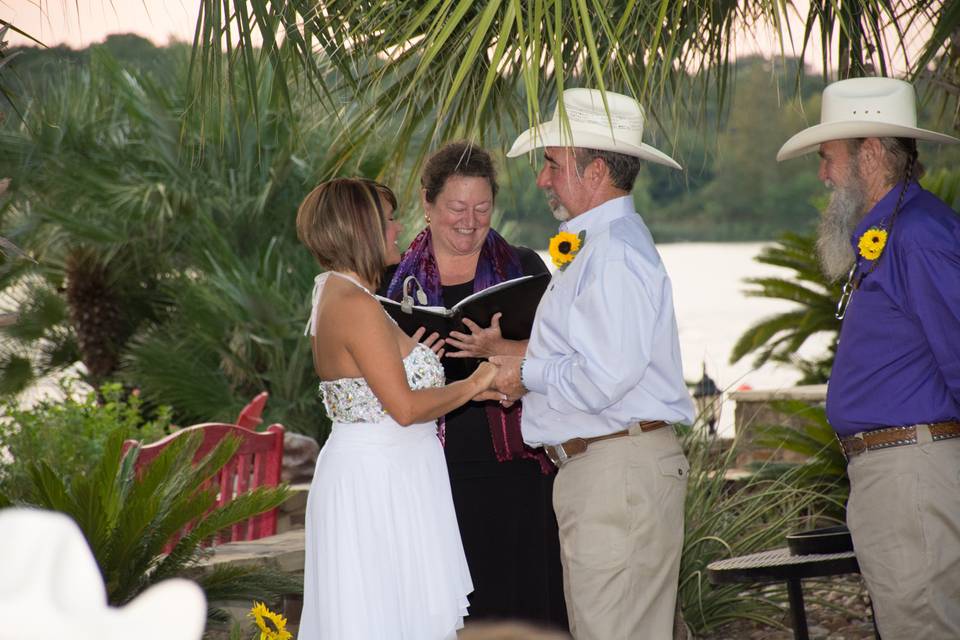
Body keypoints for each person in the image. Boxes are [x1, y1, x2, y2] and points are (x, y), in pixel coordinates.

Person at [488, 88, 695, 639]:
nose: (542, 180)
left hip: (616, 472)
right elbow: (595, 357)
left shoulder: (615, 254)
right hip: (611, 470)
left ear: (595, 170)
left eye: (552, 164)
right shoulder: (603, 247)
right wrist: (509, 356)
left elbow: (603, 378)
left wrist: (522, 374)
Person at [777, 76, 960, 638]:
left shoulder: (919, 233)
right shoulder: (891, 230)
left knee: (922, 624)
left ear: (873, 154)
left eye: (829, 158)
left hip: (913, 470)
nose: (823, 174)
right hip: (894, 472)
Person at [295, 177, 499, 640]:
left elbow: (380, 386)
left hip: (389, 474)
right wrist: (476, 381)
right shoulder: (354, 304)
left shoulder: (341, 292)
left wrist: (428, 365)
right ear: (361, 228)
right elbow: (405, 409)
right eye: (387, 220)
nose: (396, 228)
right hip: (379, 483)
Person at [378, 142, 567, 628]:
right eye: (457, 208)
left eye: (482, 208)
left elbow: (562, 355)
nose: (470, 220)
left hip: (518, 472)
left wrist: (499, 349)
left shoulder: (525, 266)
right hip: (429, 470)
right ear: (427, 201)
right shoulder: (389, 280)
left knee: (524, 607)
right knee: (450, 613)